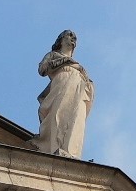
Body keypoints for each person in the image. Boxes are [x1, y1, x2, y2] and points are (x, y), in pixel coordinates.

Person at [31, 30, 94, 158]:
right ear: (60, 40)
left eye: (75, 37)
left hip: (79, 89)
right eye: (69, 35)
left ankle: (70, 152)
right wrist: (66, 62)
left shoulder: (80, 68)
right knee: (59, 116)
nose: (73, 38)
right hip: (62, 85)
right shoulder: (53, 55)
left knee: (76, 118)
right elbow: (42, 69)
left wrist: (88, 82)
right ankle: (54, 147)